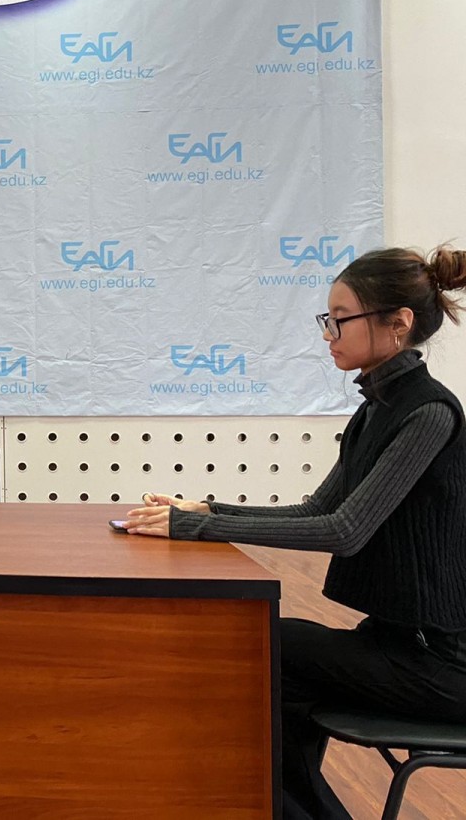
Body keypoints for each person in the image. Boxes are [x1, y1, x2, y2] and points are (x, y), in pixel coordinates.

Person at [122, 246, 466, 819]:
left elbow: (344, 530)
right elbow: (317, 509)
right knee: (274, 661)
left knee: (264, 645)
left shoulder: (428, 413)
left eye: (341, 319)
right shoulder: (377, 408)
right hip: (396, 644)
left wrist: (196, 527)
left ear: (398, 323)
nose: (328, 334)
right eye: (327, 319)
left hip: (442, 668)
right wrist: (206, 508)